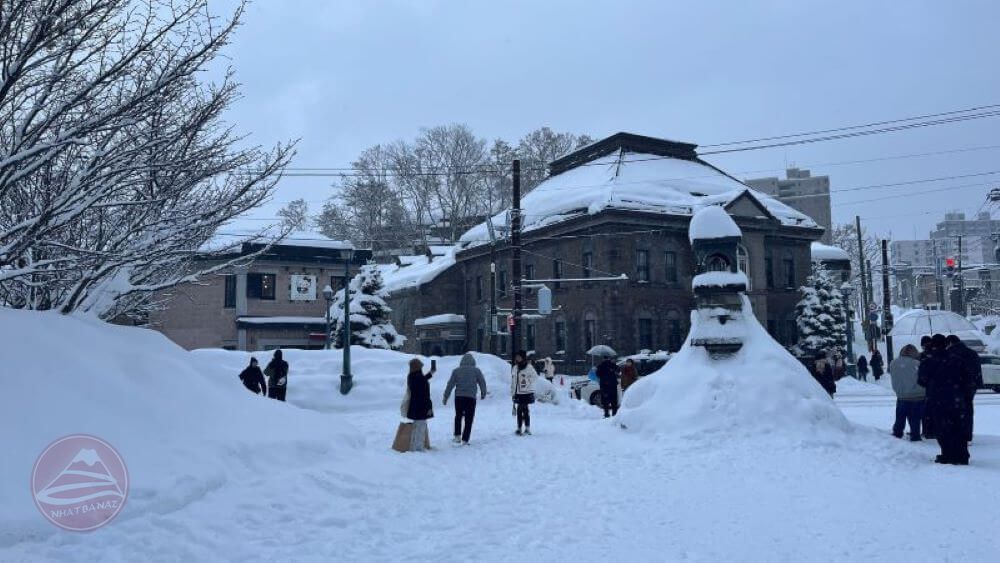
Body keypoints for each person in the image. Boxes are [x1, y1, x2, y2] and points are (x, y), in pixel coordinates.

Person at [918, 334, 970, 465]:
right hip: (957, 399)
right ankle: (962, 455)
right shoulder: (957, 360)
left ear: (932, 345)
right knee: (958, 427)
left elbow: (922, 381)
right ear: (946, 344)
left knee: (942, 428)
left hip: (937, 400)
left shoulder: (928, 362)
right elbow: (967, 379)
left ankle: (947, 454)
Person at [443, 353, 487, 445]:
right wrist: (483, 393)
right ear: (473, 362)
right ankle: (465, 439)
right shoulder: (476, 371)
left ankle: (457, 436)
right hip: (471, 398)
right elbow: (482, 382)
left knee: (458, 416)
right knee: (469, 418)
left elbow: (450, 384)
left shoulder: (456, 371)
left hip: (459, 397)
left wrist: (445, 396)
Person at [946, 334, 982, 442]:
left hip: (956, 386)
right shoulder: (972, 353)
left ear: (950, 343)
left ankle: (957, 434)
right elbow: (977, 370)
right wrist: (976, 383)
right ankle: (968, 434)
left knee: (955, 411)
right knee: (968, 410)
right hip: (970, 386)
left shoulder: (950, 353)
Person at [890, 344, 925, 441]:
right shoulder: (917, 364)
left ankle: (897, 432)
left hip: (901, 394)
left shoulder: (893, 363)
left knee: (900, 416)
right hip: (917, 395)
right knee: (915, 418)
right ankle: (915, 435)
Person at [406, 358, 435, 451]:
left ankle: (414, 446)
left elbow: (421, 380)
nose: (421, 368)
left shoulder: (412, 376)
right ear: (417, 367)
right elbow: (422, 385)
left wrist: (430, 373)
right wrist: (428, 406)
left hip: (416, 405)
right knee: (420, 427)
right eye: (420, 367)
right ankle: (418, 447)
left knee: (417, 426)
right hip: (421, 405)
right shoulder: (417, 377)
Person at [511, 350, 538, 436]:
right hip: (518, 392)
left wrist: (527, 381)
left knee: (522, 409)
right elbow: (513, 381)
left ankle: (522, 428)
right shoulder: (515, 367)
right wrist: (512, 392)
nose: (517, 358)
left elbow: (535, 377)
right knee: (523, 409)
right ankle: (524, 427)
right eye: (516, 356)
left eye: (519, 356)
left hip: (526, 392)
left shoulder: (528, 367)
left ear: (523, 357)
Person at [919, 335, 936, 440]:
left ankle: (927, 431)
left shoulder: (922, 356)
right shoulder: (937, 354)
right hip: (938, 387)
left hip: (926, 388)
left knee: (926, 411)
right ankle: (935, 430)